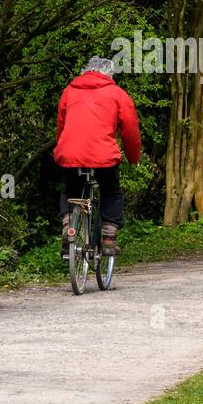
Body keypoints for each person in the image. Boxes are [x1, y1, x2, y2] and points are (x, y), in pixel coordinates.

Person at [53, 56, 142, 257]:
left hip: (70, 153)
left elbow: (61, 125)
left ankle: (69, 226)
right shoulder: (117, 94)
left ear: (86, 70)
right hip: (103, 156)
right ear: (109, 74)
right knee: (111, 192)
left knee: (70, 190)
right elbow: (130, 131)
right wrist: (133, 157)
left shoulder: (69, 91)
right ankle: (109, 236)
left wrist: (62, 150)